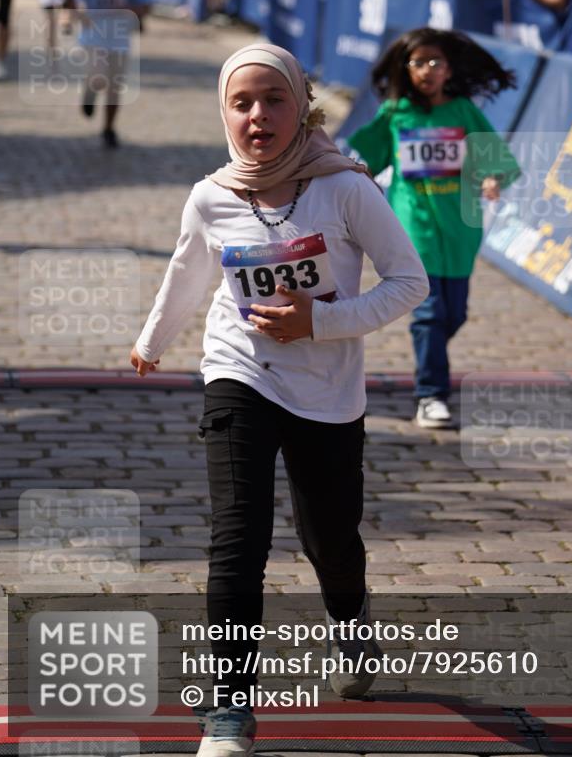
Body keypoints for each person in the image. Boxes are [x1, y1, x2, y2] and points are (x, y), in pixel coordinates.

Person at [130, 43, 428, 756]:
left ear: (301, 107)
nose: (257, 115)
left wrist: (317, 321)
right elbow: (186, 271)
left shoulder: (346, 187)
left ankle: (349, 615)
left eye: (273, 99)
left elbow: (407, 282)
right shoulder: (211, 194)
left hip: (326, 391)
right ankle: (228, 708)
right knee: (238, 541)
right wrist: (152, 340)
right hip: (239, 375)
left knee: (329, 537)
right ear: (224, 113)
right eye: (241, 102)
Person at [349, 29, 521, 428]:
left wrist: (493, 178)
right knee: (428, 314)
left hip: (459, 229)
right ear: (404, 69)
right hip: (413, 226)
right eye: (418, 62)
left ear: (448, 69)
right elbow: (363, 161)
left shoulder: (462, 111)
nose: (427, 70)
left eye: (435, 62)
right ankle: (431, 394)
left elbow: (495, 157)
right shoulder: (394, 114)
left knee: (453, 315)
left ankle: (432, 361)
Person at [62, 0, 148, 148]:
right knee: (98, 75)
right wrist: (74, 13)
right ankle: (90, 93)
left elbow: (145, 5)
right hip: (93, 37)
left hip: (119, 40)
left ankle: (109, 128)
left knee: (114, 88)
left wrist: (134, 14)